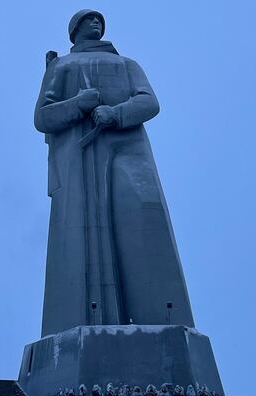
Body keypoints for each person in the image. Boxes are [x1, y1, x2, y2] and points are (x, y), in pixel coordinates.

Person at [36, 10, 195, 336]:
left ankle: (160, 322)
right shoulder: (61, 67)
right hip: (80, 161)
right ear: (75, 30)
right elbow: (43, 118)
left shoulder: (127, 65)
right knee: (82, 240)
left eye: (99, 20)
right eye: (88, 20)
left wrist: (116, 113)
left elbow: (149, 103)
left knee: (143, 228)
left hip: (130, 154)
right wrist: (78, 104)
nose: (96, 23)